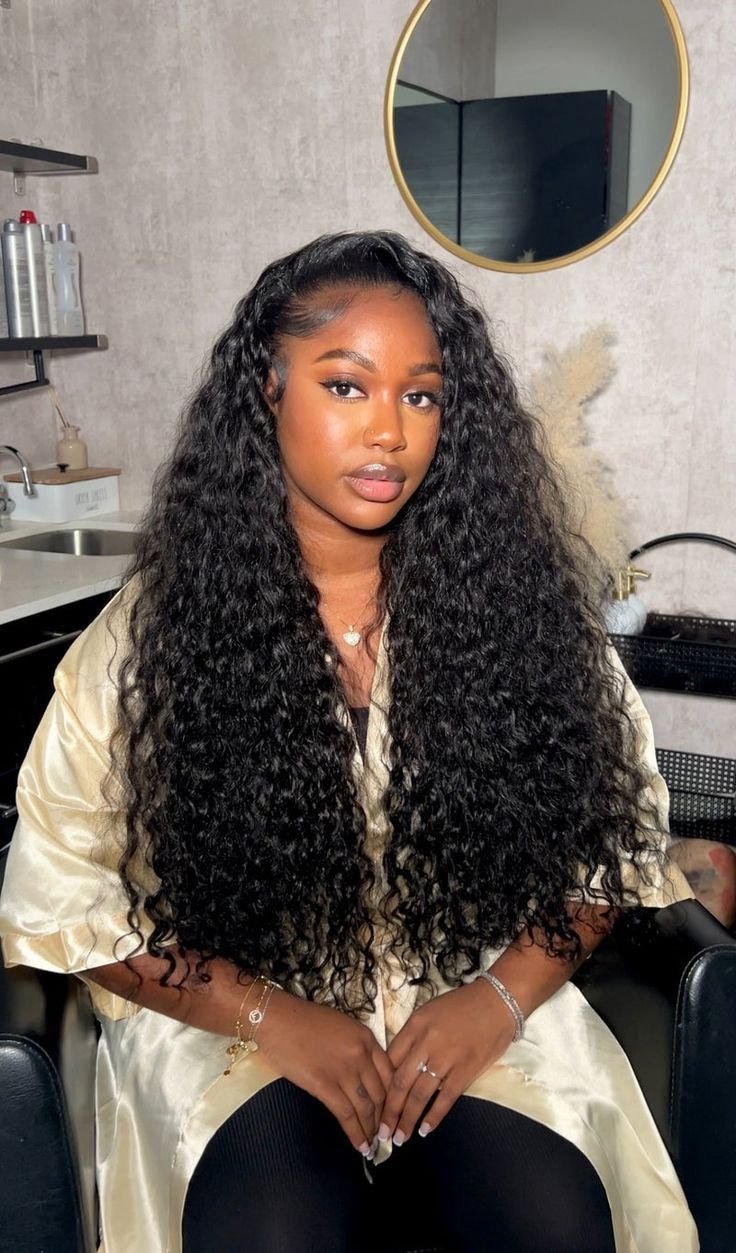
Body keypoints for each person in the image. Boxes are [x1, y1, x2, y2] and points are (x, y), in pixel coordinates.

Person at [0, 231, 698, 1253]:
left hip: (468, 989)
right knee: (272, 1228)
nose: (389, 431)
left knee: (553, 1220)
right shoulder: (149, 644)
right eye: (345, 385)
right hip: (226, 1017)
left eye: (420, 395)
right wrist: (270, 1015)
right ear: (267, 392)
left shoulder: (518, 613)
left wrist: (495, 1000)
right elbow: (65, 898)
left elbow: (613, 848)